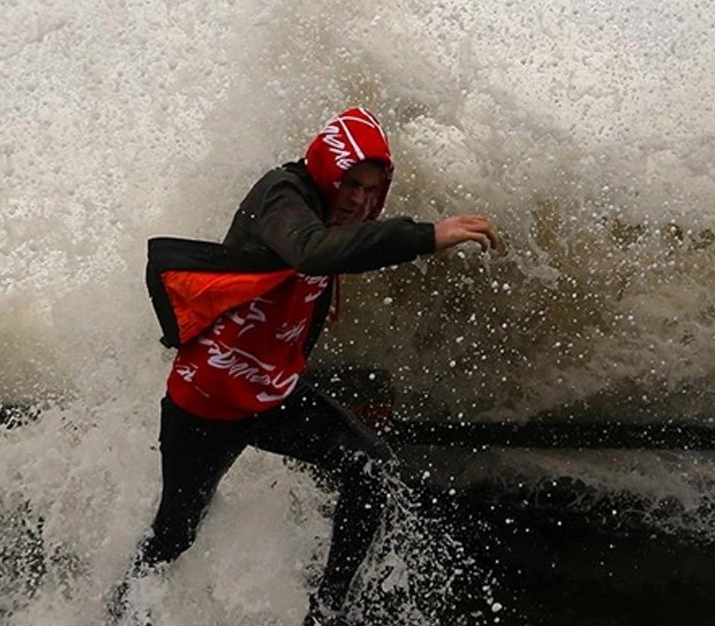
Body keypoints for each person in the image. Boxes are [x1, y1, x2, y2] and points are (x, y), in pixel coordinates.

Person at [114, 107, 499, 626]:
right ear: (326, 169)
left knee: (372, 469)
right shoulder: (282, 195)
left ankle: (326, 613)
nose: (358, 200)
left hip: (273, 398)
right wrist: (425, 236)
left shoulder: (336, 220)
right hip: (205, 402)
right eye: (349, 184)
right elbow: (311, 252)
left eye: (368, 190)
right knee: (175, 535)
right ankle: (118, 613)